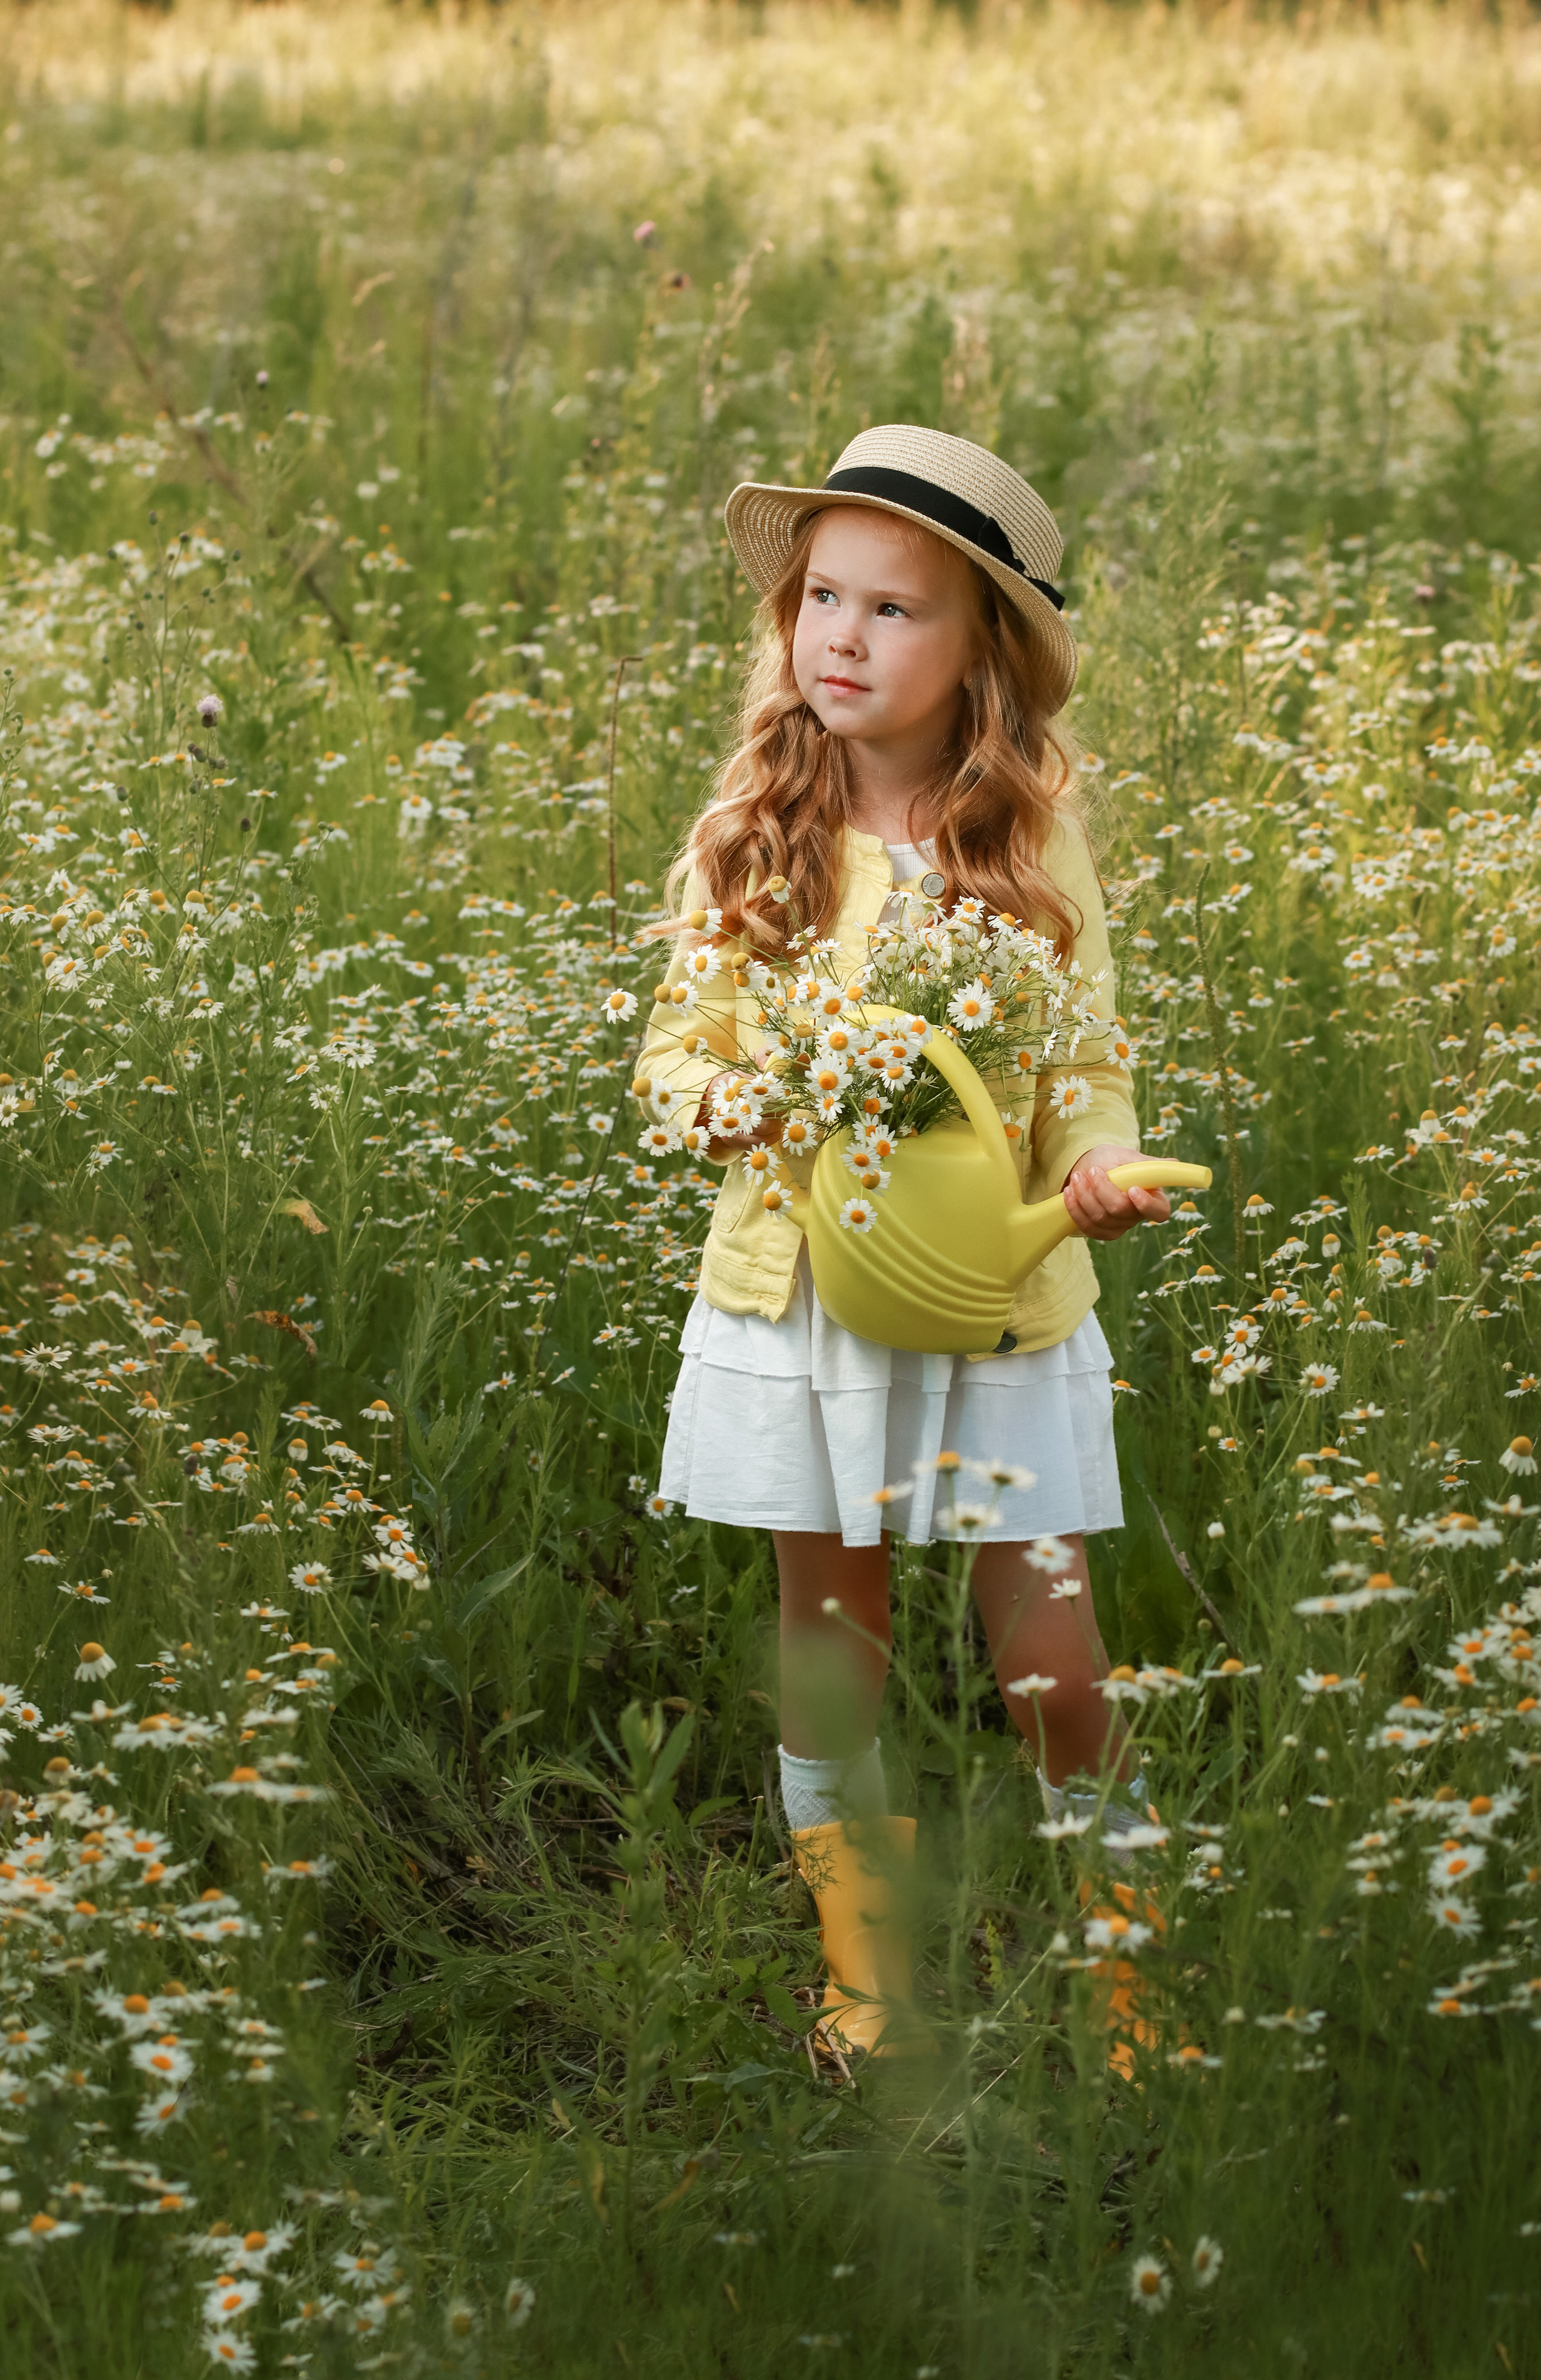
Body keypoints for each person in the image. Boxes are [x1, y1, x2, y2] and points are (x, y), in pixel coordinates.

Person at [634, 425, 1167, 2066]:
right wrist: (754, 1099)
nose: (843, 637)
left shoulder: (1027, 830)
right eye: (822, 599)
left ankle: (1130, 1970)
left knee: (1052, 1655)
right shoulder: (761, 819)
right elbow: (675, 1058)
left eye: (897, 610)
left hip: (998, 1295)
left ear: (984, 653)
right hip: (806, 1298)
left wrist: (1100, 1166)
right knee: (830, 1646)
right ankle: (866, 1970)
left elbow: (1085, 1061)